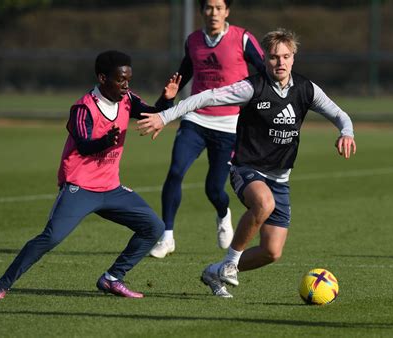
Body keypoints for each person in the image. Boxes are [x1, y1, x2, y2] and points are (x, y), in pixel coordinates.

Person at [137, 28, 357, 298]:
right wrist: (165, 116)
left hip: (280, 178)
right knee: (264, 204)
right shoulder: (251, 87)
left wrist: (346, 132)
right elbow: (205, 97)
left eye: (286, 57)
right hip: (247, 169)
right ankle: (230, 262)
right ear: (265, 59)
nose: (280, 62)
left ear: (294, 58)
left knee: (271, 252)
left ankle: (214, 271)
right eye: (274, 57)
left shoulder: (306, 89)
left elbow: (340, 114)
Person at [0, 50, 181, 300]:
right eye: (121, 79)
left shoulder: (127, 99)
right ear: (102, 78)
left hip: (111, 188)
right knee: (51, 238)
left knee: (154, 227)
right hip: (80, 187)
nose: (126, 85)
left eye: (128, 79)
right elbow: (84, 144)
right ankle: (2, 283)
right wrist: (105, 141)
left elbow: (150, 113)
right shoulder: (83, 108)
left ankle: (112, 278)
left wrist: (166, 100)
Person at [149, 0, 264, 259]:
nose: (213, 13)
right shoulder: (193, 41)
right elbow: (183, 76)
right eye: (208, 7)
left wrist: (257, 104)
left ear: (227, 11)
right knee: (176, 171)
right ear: (202, 12)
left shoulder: (242, 38)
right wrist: (166, 102)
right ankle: (167, 236)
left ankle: (223, 214)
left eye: (218, 7)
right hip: (196, 119)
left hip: (230, 123)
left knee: (213, 189)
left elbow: (265, 71)